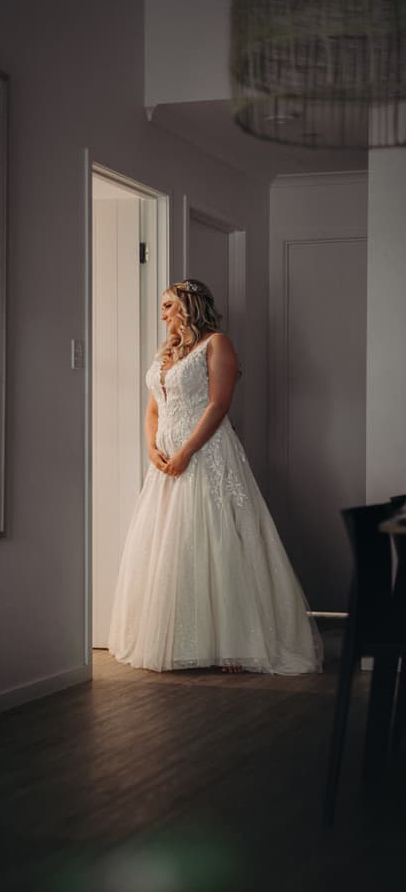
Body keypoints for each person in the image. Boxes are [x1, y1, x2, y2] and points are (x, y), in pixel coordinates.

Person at [108, 279, 322, 674]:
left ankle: (235, 645)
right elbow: (153, 408)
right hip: (166, 464)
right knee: (172, 544)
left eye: (169, 306)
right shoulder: (164, 354)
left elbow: (219, 405)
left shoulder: (217, 343)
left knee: (218, 541)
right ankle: (180, 642)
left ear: (189, 306)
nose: (162, 314)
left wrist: (187, 451)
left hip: (207, 455)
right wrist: (152, 447)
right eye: (162, 307)